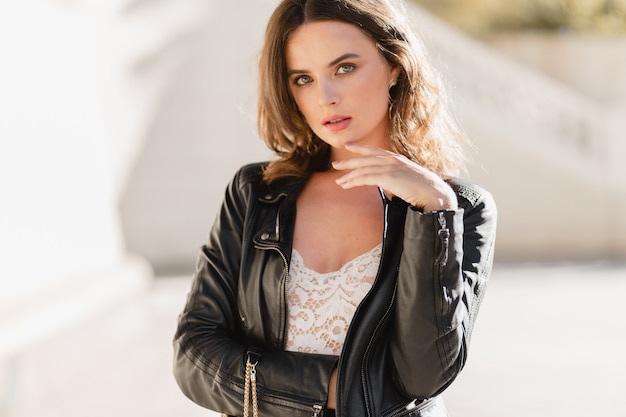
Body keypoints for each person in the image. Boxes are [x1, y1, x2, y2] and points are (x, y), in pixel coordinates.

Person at [173, 0, 497, 416]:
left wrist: (433, 211)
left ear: (394, 66)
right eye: (303, 78)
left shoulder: (459, 210)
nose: (325, 97)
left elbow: (423, 376)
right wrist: (336, 390)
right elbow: (193, 355)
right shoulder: (256, 194)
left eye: (344, 68)